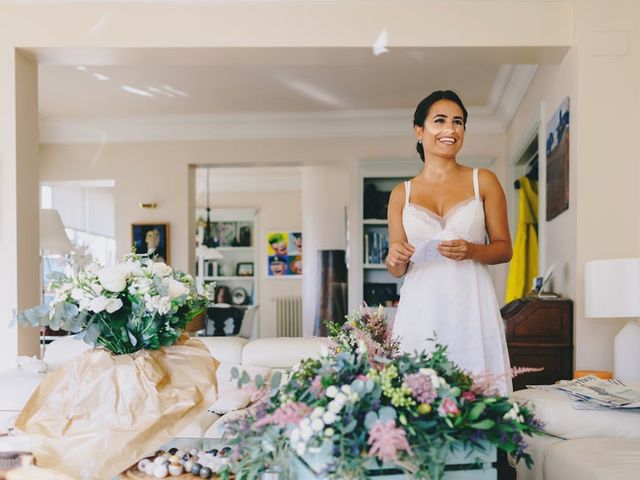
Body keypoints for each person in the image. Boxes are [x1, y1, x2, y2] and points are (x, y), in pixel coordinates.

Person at [386, 90, 513, 394]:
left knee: (478, 387)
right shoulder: (400, 194)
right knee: (417, 392)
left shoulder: (484, 180)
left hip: (471, 301)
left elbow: (504, 248)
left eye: (458, 122)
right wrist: (395, 257)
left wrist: (471, 250)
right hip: (421, 305)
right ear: (420, 130)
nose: (451, 129)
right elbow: (397, 268)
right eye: (440, 121)